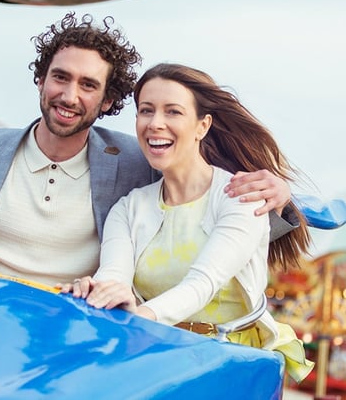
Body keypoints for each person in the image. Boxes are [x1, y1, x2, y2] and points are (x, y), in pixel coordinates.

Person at [0, 13, 296, 287]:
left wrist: (275, 193)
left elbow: (205, 200)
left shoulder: (135, 162)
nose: (69, 96)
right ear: (41, 79)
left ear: (108, 101)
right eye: (60, 77)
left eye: (88, 85)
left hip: (66, 332)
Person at [65, 63, 314, 382]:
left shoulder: (239, 196)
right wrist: (100, 292)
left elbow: (203, 284)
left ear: (202, 126)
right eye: (146, 111)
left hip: (230, 361)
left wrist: (139, 318)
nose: (155, 124)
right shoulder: (128, 208)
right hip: (159, 354)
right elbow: (114, 276)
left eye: (173, 112)